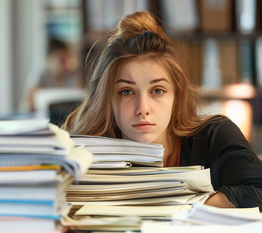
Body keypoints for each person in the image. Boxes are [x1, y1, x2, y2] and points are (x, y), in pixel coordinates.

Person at [62, 11, 262, 209]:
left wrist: (181, 204)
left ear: (176, 95)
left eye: (157, 90)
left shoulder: (215, 136)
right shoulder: (85, 154)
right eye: (126, 92)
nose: (143, 108)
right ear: (107, 100)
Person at [29, 38, 83, 112]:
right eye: (61, 60)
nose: (64, 64)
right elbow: (29, 105)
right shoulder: (41, 75)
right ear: (49, 59)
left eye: (66, 59)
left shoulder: (74, 75)